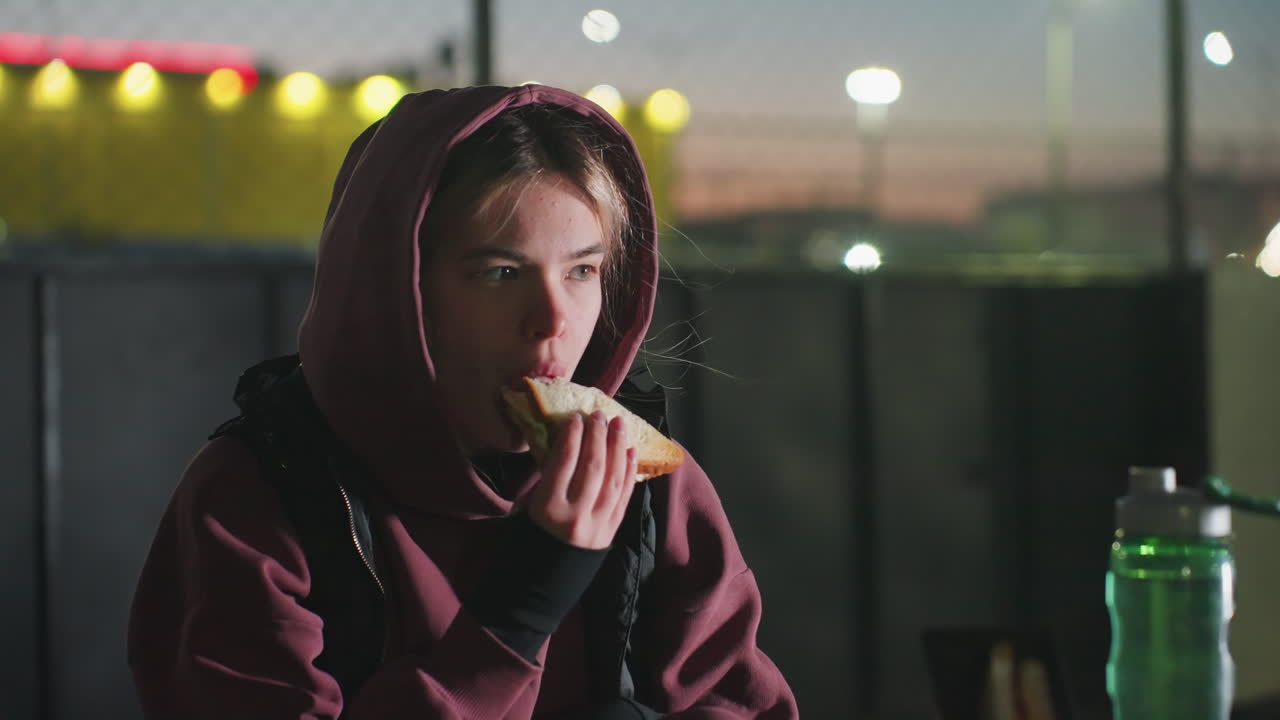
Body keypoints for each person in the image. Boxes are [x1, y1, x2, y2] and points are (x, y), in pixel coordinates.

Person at [127, 84, 798, 720]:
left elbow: (739, 700)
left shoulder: (639, 480)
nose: (552, 319)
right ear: (399, 293)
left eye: (583, 271)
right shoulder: (259, 492)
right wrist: (518, 613)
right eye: (501, 273)